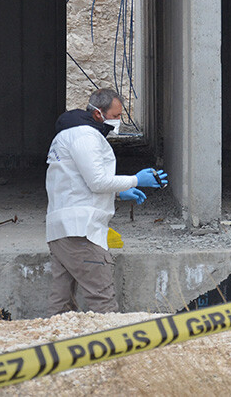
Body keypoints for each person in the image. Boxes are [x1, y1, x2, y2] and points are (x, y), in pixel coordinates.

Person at [45, 88, 168, 315]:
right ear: (98, 113)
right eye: (116, 115)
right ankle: (110, 338)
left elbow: (75, 183)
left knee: (61, 306)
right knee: (103, 302)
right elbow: (97, 181)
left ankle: (56, 337)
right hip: (81, 232)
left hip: (61, 231)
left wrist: (118, 193)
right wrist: (135, 180)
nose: (119, 121)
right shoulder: (86, 136)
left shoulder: (68, 135)